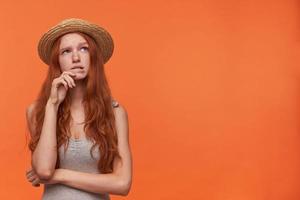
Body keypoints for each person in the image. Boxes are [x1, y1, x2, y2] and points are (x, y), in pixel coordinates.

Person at [25, 18, 132, 200]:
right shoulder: (37, 111)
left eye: (84, 49)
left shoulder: (114, 113)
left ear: (93, 57)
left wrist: (59, 175)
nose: (76, 58)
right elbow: (43, 170)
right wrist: (52, 105)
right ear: (57, 62)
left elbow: (122, 184)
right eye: (66, 51)